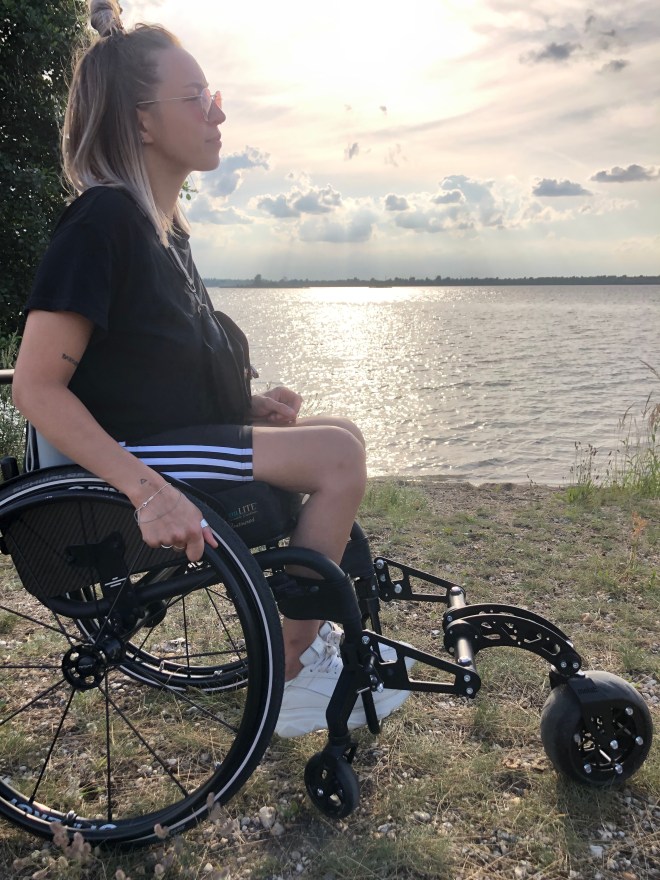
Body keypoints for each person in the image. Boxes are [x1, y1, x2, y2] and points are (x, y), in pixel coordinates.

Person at [12, 0, 410, 738]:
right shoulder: (101, 224)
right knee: (337, 457)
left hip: (166, 437)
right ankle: (290, 671)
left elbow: (153, 368)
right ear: (141, 122)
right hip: (132, 460)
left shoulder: (164, 233)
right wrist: (147, 491)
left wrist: (246, 407)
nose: (217, 113)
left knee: (342, 433)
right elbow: (36, 386)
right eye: (196, 97)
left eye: (214, 95)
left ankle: (302, 639)